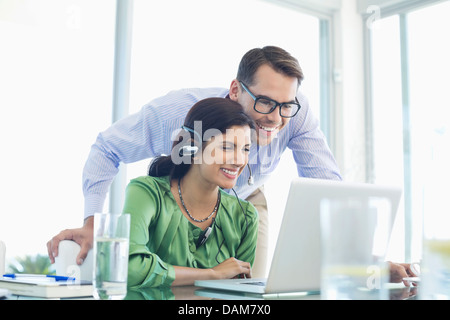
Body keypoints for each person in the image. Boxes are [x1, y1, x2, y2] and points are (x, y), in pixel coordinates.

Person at [46, 45, 415, 283]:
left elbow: (328, 194)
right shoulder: (183, 112)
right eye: (266, 103)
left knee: (249, 293)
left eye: (286, 106)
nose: (275, 119)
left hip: (244, 201)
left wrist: (362, 261)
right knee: (162, 282)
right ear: (236, 89)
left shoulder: (294, 116)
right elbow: (106, 148)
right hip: (177, 198)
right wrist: (93, 221)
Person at [125, 98, 258, 287]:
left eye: (245, 149)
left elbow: (240, 290)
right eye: (227, 147)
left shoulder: (245, 216)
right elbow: (130, 268)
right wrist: (211, 275)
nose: (239, 160)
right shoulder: (146, 193)